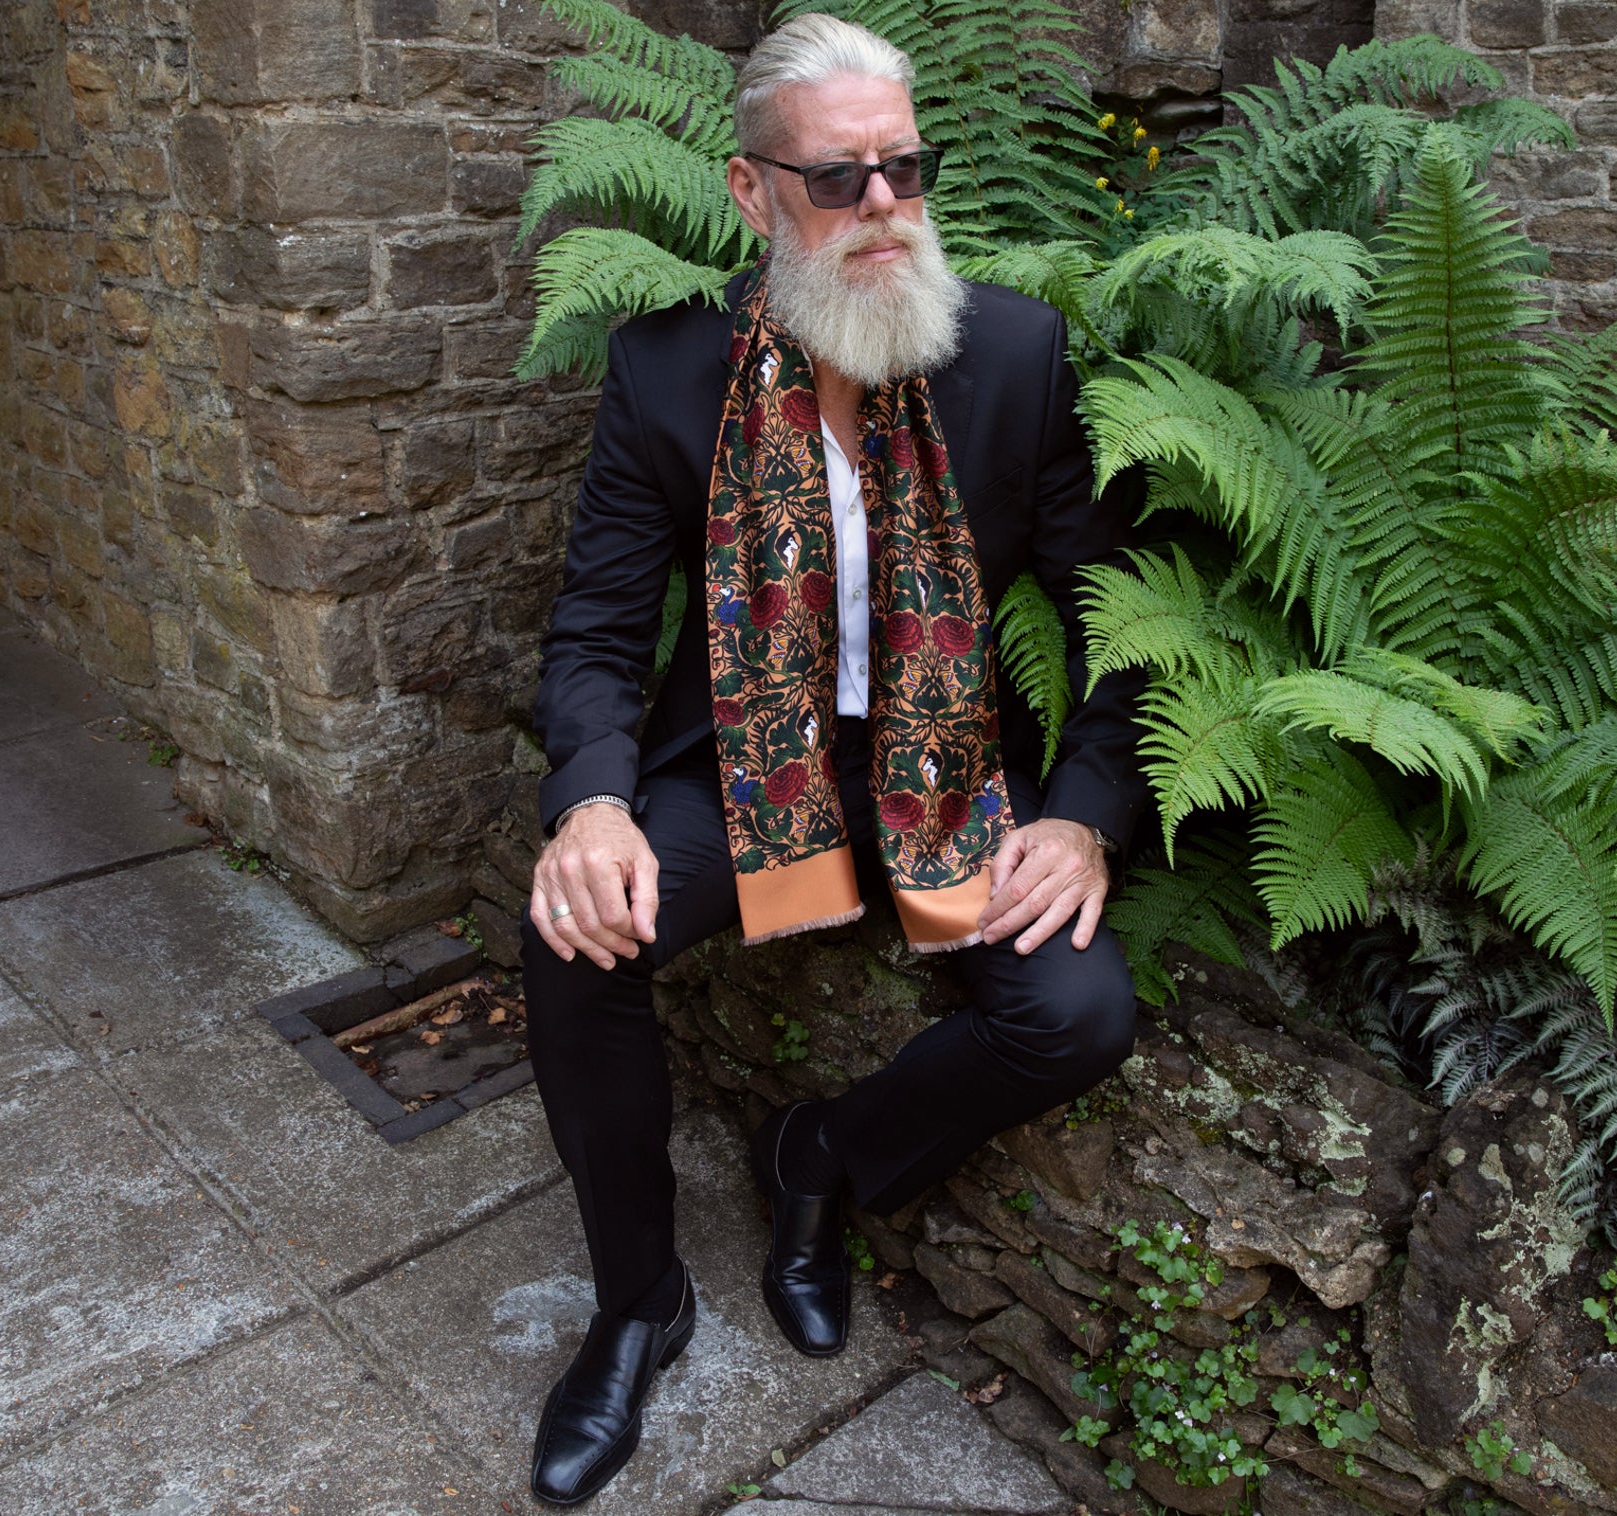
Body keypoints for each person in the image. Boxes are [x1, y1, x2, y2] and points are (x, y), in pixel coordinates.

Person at [518, 13, 1146, 1505]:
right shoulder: (669, 373)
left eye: (903, 170)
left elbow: (1121, 620)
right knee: (574, 938)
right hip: (745, 761)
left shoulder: (1014, 354)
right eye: (838, 178)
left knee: (1077, 1013)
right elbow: (597, 628)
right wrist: (594, 802)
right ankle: (638, 1301)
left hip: (951, 763)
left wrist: (1084, 817)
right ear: (753, 192)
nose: (881, 207)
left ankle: (818, 1159)